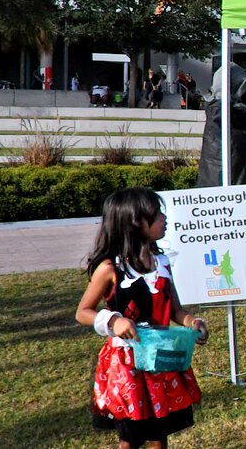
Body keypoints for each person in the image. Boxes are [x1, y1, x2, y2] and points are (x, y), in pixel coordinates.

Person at [76, 187, 209, 448]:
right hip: (127, 364)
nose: (164, 218)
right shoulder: (109, 268)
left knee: (159, 430)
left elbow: (174, 309)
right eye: (157, 214)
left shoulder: (162, 263)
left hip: (160, 360)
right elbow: (83, 311)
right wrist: (114, 321)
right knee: (131, 433)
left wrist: (192, 322)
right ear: (135, 222)